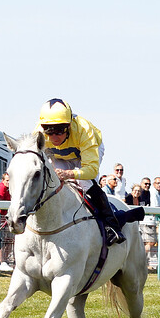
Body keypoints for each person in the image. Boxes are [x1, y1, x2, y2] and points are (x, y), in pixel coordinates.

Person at [36, 98, 124, 245]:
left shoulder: (84, 130)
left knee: (84, 182)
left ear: (69, 126)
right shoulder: (38, 133)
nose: (54, 136)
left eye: (59, 130)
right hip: (59, 155)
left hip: (86, 153)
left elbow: (91, 170)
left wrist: (70, 174)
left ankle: (111, 226)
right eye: (49, 130)